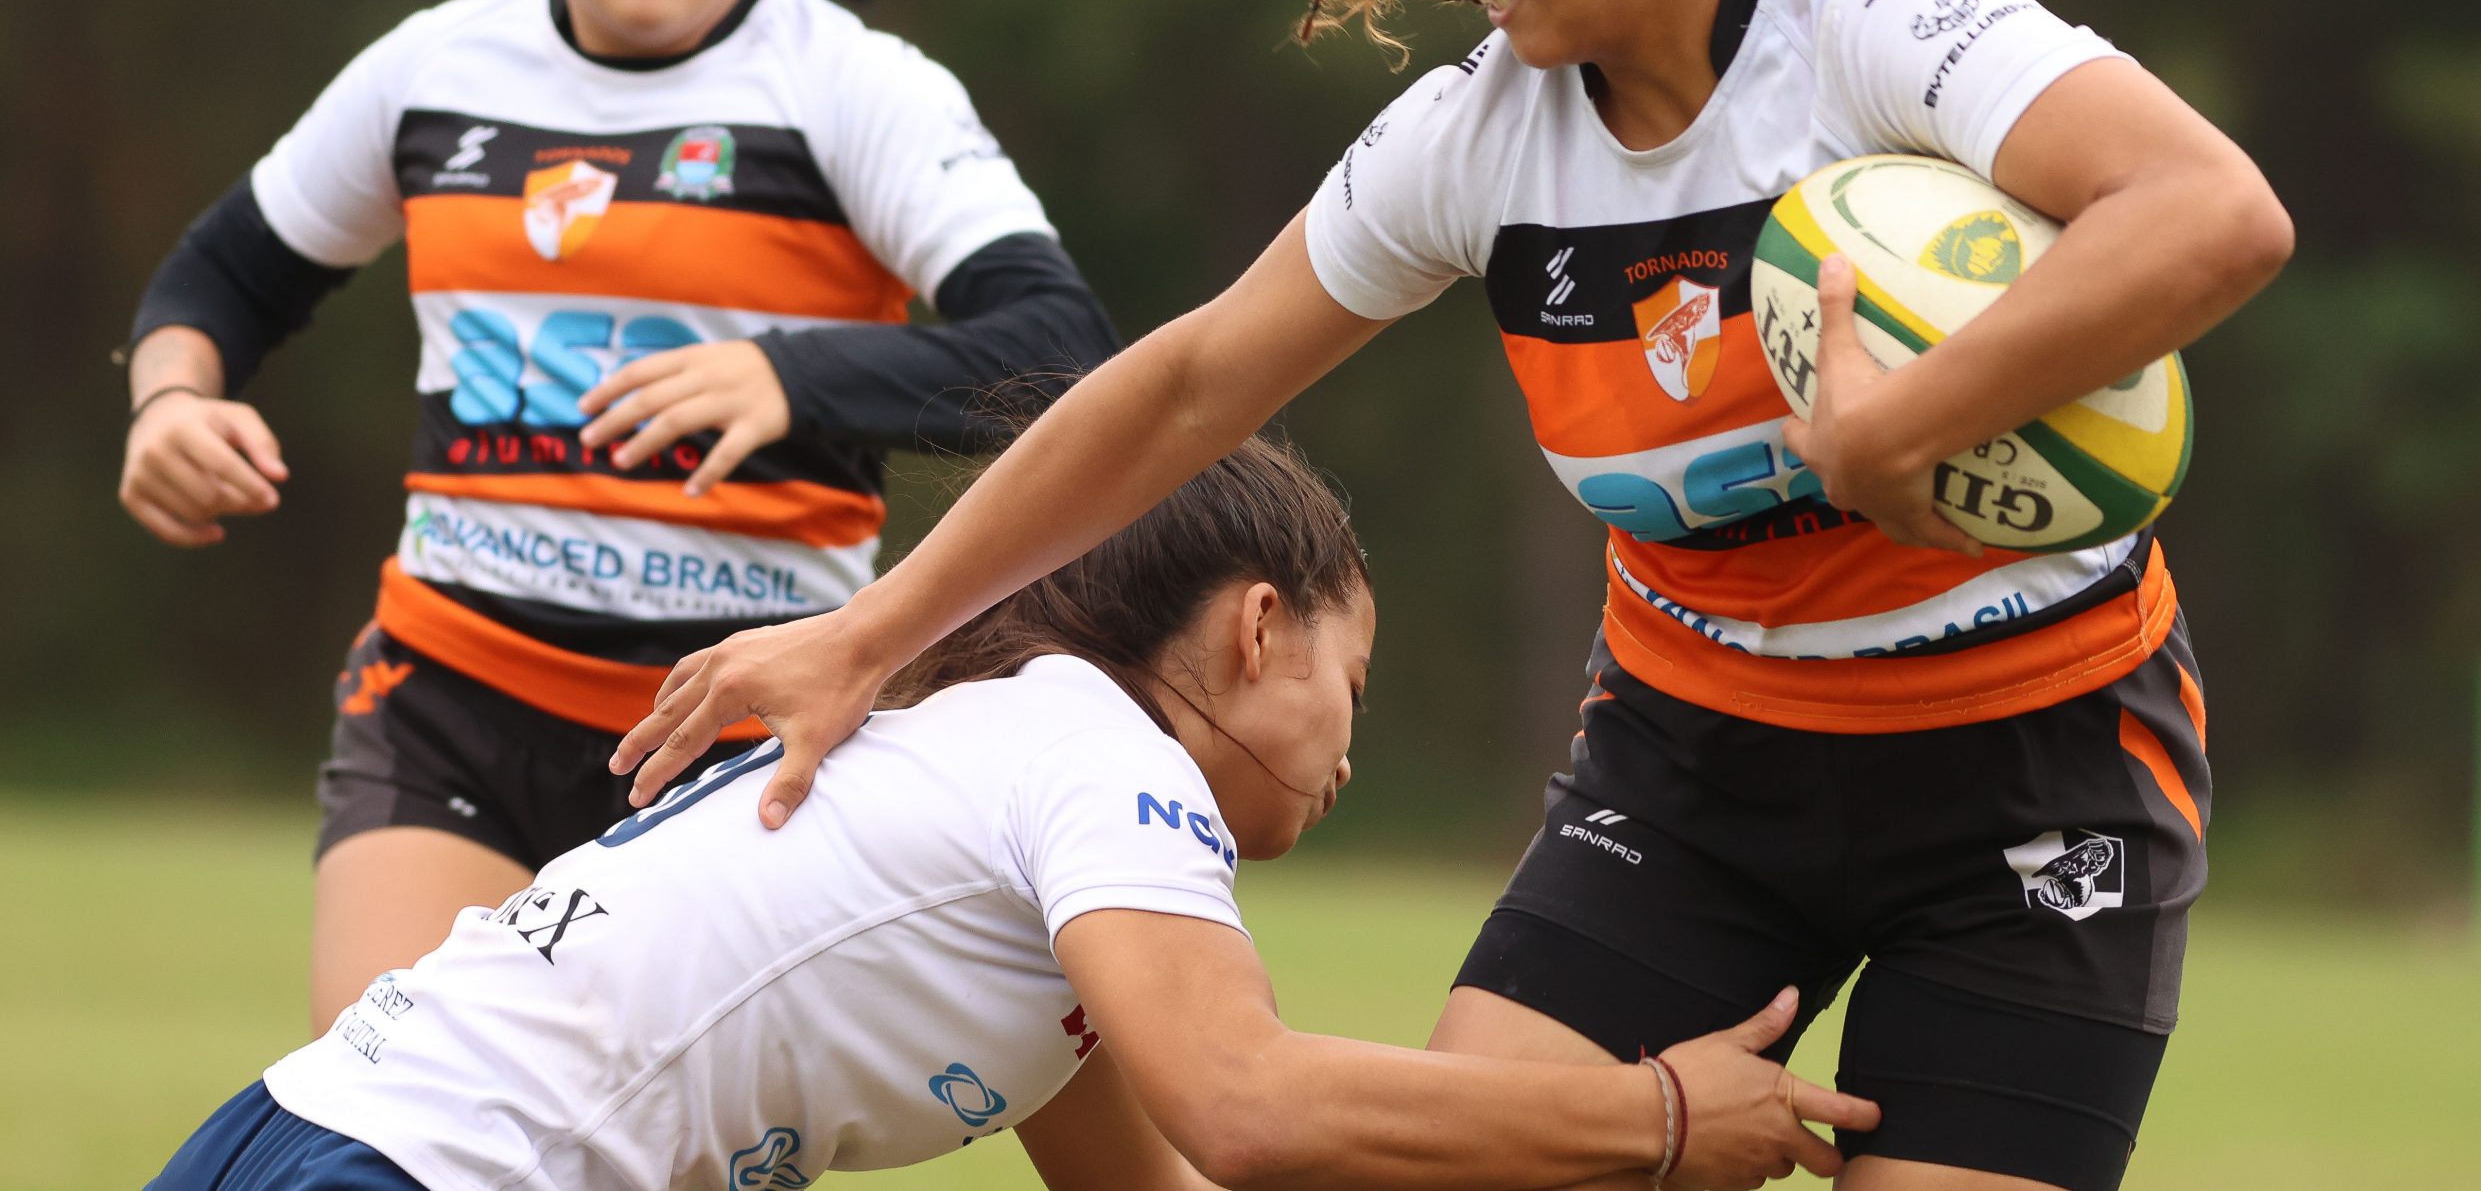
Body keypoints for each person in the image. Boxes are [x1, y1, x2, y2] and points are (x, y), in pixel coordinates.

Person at [609, 0, 2296, 1191]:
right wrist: (869, 634)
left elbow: (2212, 212)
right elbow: (1189, 382)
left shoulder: (1864, 10)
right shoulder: (1478, 135)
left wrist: (1900, 423)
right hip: (1694, 777)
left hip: (2036, 781)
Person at [117, 0, 1121, 1033]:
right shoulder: (432, 71)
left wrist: (795, 377)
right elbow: (222, 277)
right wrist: (170, 396)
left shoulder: (856, 90)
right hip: (447, 698)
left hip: (739, 733)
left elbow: (1061, 350)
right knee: (395, 1119)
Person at [146, 435, 1879, 1191]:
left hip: (312, 1137)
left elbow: (1187, 1179)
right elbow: (1255, 1107)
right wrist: (1647, 1123)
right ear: (1257, 627)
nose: (1352, 754)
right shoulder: (1098, 756)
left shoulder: (1028, 812)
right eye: (1354, 683)